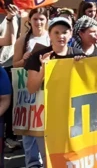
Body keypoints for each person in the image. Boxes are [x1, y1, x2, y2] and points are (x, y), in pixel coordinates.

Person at [25, 17, 86, 168]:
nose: (61, 36)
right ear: (50, 35)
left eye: (65, 32)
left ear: (71, 34)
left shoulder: (78, 54)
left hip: (73, 116)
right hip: (47, 117)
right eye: (56, 32)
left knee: (73, 156)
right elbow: (31, 88)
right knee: (50, 159)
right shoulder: (38, 56)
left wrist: (83, 66)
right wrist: (44, 69)